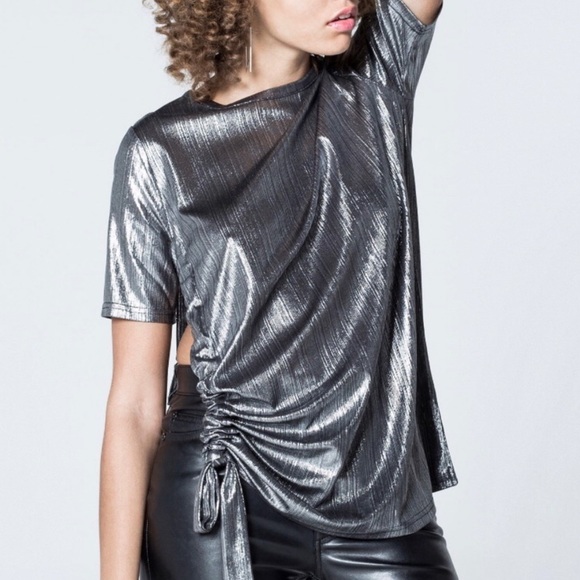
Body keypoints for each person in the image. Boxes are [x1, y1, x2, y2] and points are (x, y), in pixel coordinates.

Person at [98, 0, 459, 578]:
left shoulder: (374, 87)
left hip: (378, 498)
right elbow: (135, 402)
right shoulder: (158, 151)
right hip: (222, 487)